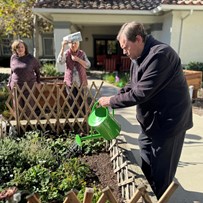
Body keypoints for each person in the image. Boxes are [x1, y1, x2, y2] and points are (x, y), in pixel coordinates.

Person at [98, 22, 193, 199]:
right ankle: (147, 197)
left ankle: (157, 198)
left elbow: (141, 93)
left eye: (126, 47)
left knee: (160, 175)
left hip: (168, 125)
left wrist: (111, 100)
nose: (124, 52)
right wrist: (118, 95)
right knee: (147, 166)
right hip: (150, 122)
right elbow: (132, 85)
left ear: (139, 39)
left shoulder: (160, 55)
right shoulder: (138, 56)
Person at [57, 32, 91, 117]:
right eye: (72, 43)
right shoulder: (66, 53)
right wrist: (62, 47)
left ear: (78, 44)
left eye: (75, 43)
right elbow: (60, 61)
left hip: (81, 82)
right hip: (70, 83)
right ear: (69, 44)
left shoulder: (82, 54)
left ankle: (84, 119)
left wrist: (78, 59)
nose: (73, 45)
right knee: (72, 102)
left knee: (83, 101)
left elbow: (88, 65)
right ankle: (74, 120)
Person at [8, 39, 41, 118]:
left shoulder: (31, 58)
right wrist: (9, 82)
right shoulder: (13, 58)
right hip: (16, 86)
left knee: (29, 108)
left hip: (29, 85)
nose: (20, 49)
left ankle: (30, 127)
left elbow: (37, 71)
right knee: (18, 107)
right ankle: (19, 128)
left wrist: (38, 82)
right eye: (18, 47)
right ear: (15, 49)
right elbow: (12, 72)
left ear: (25, 48)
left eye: (22, 47)